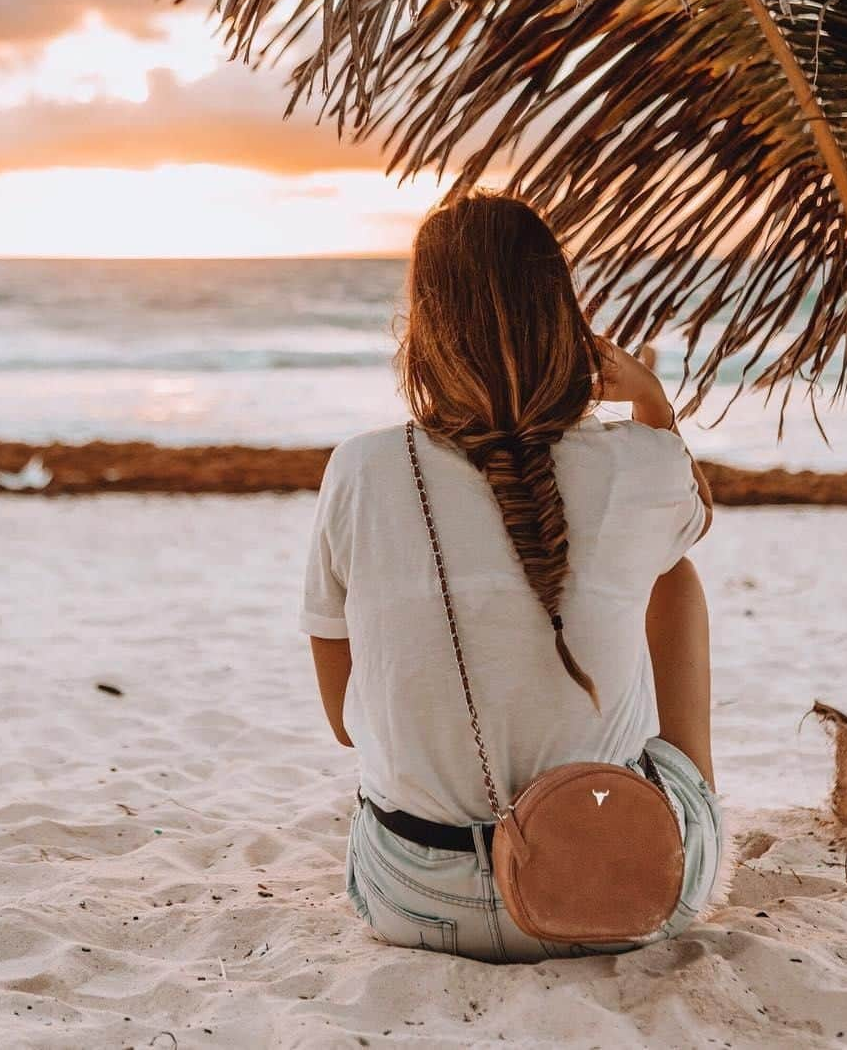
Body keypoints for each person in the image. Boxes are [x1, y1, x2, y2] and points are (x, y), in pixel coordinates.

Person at [300, 191, 723, 963]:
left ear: (423, 331)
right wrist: (654, 408)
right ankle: (684, 799)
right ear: (564, 320)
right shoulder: (640, 462)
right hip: (614, 888)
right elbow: (692, 519)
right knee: (675, 572)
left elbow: (342, 721)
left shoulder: (359, 467)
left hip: (415, 899)